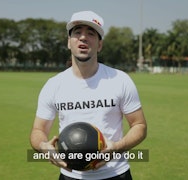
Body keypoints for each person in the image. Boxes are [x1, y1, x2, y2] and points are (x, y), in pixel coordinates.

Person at [30, 10, 147, 180]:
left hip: (116, 174)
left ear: (99, 45)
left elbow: (139, 125)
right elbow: (38, 129)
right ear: (69, 42)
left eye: (91, 33)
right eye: (77, 32)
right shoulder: (53, 85)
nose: (83, 37)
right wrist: (43, 146)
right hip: (70, 176)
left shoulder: (120, 80)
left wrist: (117, 147)